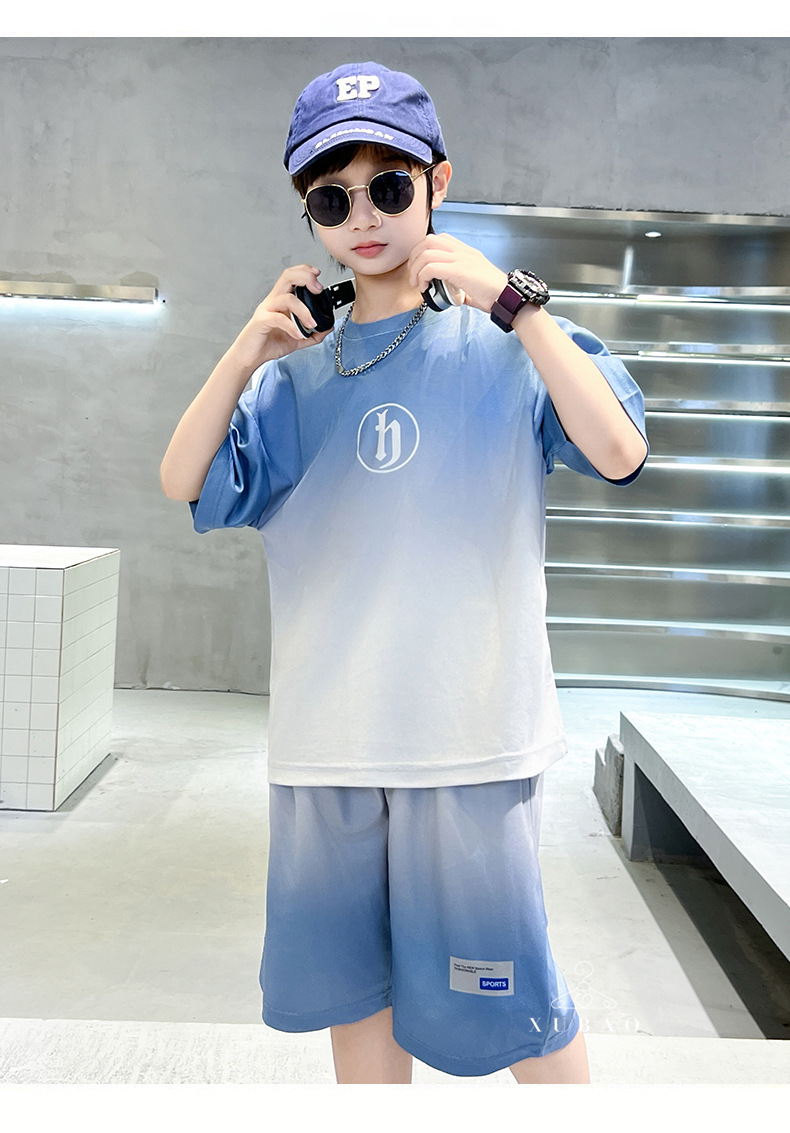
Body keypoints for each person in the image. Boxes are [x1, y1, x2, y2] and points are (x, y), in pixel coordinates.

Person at [160, 61, 648, 1085]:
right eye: (331, 199)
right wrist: (247, 348)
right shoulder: (294, 382)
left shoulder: (505, 346)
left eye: (388, 185)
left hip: (468, 740)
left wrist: (517, 306)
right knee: (357, 1003)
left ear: (438, 182)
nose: (365, 218)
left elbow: (618, 450)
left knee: (521, 1011)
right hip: (328, 745)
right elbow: (183, 478)